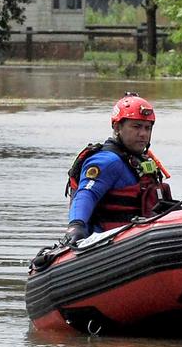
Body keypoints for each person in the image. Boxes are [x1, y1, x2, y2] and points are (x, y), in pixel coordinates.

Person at [61, 93, 172, 246]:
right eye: (136, 126)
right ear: (117, 127)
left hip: (139, 240)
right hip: (107, 244)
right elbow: (86, 194)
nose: (143, 134)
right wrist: (76, 225)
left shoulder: (140, 161)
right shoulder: (107, 161)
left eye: (147, 128)